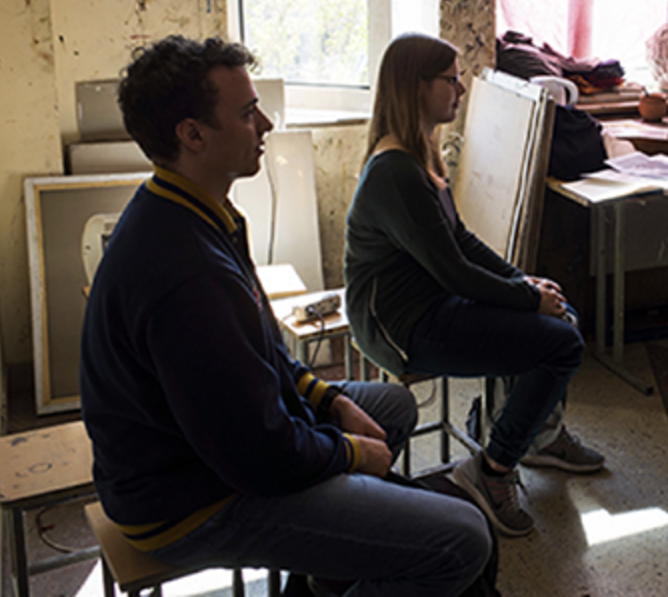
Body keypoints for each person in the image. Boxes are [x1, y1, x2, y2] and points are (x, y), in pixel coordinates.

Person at [80, 36, 492, 596]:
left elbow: (264, 353)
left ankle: (328, 572)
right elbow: (258, 455)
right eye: (248, 113)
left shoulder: (197, 210)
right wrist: (349, 454)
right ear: (193, 134)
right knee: (463, 539)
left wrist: (331, 403)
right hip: (188, 503)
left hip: (212, 453)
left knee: (390, 406)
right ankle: (342, 557)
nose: (266, 124)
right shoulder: (188, 272)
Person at [345, 32, 603, 539]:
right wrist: (527, 298)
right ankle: (493, 469)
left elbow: (459, 240)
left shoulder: (418, 153)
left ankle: (537, 435)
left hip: (431, 303)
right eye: (451, 79)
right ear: (417, 87)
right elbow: (454, 271)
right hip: (403, 326)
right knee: (562, 343)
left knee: (563, 316)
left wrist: (522, 281)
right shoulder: (395, 170)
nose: (461, 89)